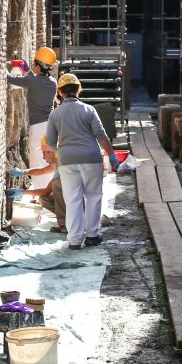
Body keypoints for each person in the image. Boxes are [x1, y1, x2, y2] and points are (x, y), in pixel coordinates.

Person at [45, 73, 119, 249]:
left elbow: (50, 142)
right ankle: (92, 235)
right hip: (92, 159)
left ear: (61, 93)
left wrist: (62, 152)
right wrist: (111, 153)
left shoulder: (55, 114)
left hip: (67, 161)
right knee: (93, 196)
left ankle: (75, 240)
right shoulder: (89, 110)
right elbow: (100, 135)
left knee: (72, 200)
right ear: (78, 89)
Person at [7, 46, 59, 189]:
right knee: (50, 160)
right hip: (51, 126)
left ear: (37, 65)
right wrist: (28, 70)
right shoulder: (53, 82)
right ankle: (51, 188)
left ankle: (41, 192)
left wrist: (0, 67)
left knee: (37, 160)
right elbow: (34, 80)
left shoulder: (33, 81)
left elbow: (11, 79)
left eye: (34, 63)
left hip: (37, 127)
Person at [11, 140, 66, 232]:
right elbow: (42, 171)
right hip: (73, 203)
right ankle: (68, 218)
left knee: (55, 184)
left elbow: (46, 191)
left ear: (52, 152)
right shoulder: (57, 163)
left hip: (80, 206)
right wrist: (23, 172)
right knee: (44, 199)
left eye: (44, 153)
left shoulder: (63, 167)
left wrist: (22, 193)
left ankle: (65, 225)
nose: (43, 157)